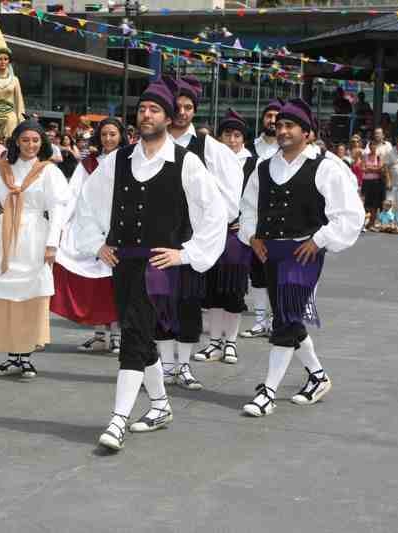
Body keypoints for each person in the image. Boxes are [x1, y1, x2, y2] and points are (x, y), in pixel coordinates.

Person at [73, 78, 226, 450]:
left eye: (154, 109)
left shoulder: (186, 162)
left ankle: (118, 420)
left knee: (133, 334)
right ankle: (159, 405)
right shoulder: (118, 159)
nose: (146, 114)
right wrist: (96, 244)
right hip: (123, 263)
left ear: (169, 117)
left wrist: (185, 254)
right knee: (139, 332)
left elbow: (215, 212)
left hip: (159, 268)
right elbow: (87, 202)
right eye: (142, 109)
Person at [238, 98, 363, 417]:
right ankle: (318, 376)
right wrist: (252, 236)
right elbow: (248, 207)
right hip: (271, 253)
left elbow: (350, 213)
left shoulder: (326, 166)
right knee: (289, 319)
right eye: (279, 125)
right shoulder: (264, 166)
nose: (282, 130)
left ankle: (267, 393)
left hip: (303, 254)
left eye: (290, 126)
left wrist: (319, 239)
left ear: (306, 132)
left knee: (284, 320)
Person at [0, 120, 70, 378]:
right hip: (2, 236)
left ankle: (25, 355)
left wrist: (52, 244)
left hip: (35, 237)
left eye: (35, 140)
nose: (30, 145)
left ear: (42, 143)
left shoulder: (48, 171)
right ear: (16, 141)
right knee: (3, 294)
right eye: (25, 140)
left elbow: (57, 209)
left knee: (30, 295)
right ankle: (12, 355)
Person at [165, 76, 242, 389]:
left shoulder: (209, 147)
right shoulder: (153, 143)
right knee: (159, 301)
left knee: (188, 301)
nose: (182, 112)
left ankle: (183, 366)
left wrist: (213, 226)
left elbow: (230, 195)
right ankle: (164, 366)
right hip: (158, 234)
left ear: (194, 111)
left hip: (190, 237)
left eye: (188, 107)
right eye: (178, 106)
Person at [51, 118, 126, 354]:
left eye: (113, 134)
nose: (108, 139)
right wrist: (61, 225)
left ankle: (118, 335)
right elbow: (73, 194)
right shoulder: (89, 164)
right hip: (93, 226)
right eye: (104, 134)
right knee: (96, 285)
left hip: (120, 228)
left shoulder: (131, 161)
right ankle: (99, 335)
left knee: (117, 284)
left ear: (121, 136)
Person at [194, 109, 257, 365]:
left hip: (237, 235)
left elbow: (257, 200)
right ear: (219, 138)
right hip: (211, 233)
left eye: (237, 135)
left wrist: (248, 223)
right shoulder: (209, 161)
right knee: (212, 291)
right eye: (227, 135)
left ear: (243, 138)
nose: (232, 140)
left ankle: (230, 342)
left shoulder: (252, 164)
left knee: (233, 291)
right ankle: (214, 343)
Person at [361, 140, 386, 229]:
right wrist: (374, 168)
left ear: (376, 147)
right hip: (366, 182)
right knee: (366, 203)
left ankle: (372, 222)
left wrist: (369, 168)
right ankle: (365, 222)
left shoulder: (379, 156)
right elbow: (363, 168)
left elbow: (380, 168)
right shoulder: (365, 156)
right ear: (369, 147)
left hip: (376, 182)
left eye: (374, 146)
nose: (373, 148)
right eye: (371, 146)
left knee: (374, 204)